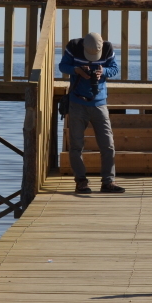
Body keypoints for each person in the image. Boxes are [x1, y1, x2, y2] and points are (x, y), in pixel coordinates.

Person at [58, 31, 125, 193]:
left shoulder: (107, 49)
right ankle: (81, 181)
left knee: (108, 145)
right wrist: (77, 70)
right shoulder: (73, 47)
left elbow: (115, 69)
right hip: (77, 103)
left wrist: (104, 72)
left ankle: (108, 182)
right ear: (83, 45)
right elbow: (62, 66)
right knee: (75, 146)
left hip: (100, 104)